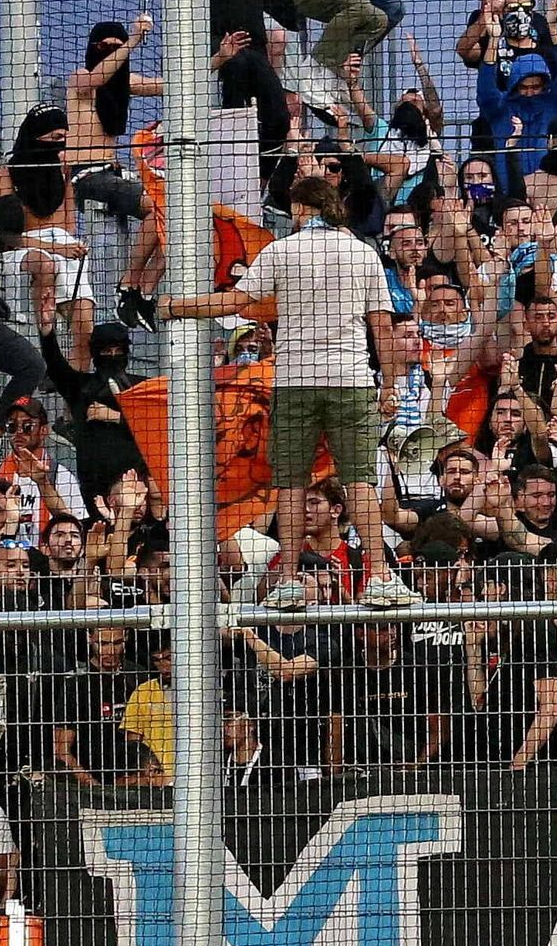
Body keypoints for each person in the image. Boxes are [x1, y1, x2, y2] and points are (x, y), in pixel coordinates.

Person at [159, 160, 420, 612]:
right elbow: (382, 326)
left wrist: (178, 307)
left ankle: (288, 582)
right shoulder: (362, 253)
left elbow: (238, 302)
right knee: (359, 481)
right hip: (351, 380)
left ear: (303, 208)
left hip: (295, 382)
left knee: (292, 485)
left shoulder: (281, 251)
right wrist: (391, 386)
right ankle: (379, 576)